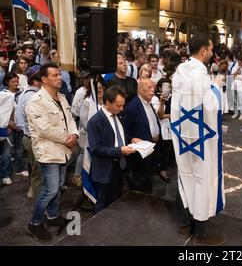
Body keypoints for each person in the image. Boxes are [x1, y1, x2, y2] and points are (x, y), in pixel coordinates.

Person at [171, 33, 226, 245]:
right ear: (203, 50)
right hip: (201, 138)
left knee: (185, 176)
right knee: (202, 179)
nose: (212, 53)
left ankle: (184, 224)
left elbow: (179, 102)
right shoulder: (202, 75)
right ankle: (200, 231)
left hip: (184, 135)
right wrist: (217, 86)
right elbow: (211, 106)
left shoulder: (181, 70)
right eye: (211, 49)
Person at [25, 63, 79, 241]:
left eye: (59, 74)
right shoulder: (36, 102)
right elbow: (44, 129)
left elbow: (70, 119)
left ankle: (53, 216)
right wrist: (67, 138)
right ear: (44, 79)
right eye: (55, 75)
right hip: (48, 152)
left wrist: (74, 134)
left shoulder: (62, 98)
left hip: (63, 150)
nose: (59, 78)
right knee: (50, 189)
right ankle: (34, 223)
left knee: (57, 186)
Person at [87, 86, 136, 214]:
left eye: (123, 105)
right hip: (104, 170)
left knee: (116, 201)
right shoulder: (95, 121)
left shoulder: (118, 116)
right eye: (119, 105)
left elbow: (118, 135)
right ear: (108, 102)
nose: (122, 109)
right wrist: (120, 151)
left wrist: (132, 140)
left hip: (119, 167)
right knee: (103, 204)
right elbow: (96, 149)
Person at [122, 79, 161, 193]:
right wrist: (131, 139)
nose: (153, 90)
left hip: (151, 150)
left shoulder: (148, 103)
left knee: (148, 181)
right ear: (140, 90)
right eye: (149, 87)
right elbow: (123, 130)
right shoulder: (132, 107)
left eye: (153, 87)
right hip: (140, 154)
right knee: (140, 185)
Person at [16, 65, 41, 197]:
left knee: (36, 169)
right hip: (33, 138)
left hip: (30, 137)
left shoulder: (31, 93)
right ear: (36, 81)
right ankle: (41, 206)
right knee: (38, 173)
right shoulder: (32, 97)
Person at [229, 53, 242, 120]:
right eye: (239, 61)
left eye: (241, 61)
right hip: (234, 85)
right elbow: (231, 76)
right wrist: (237, 70)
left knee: (241, 100)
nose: (240, 62)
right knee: (234, 99)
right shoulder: (235, 67)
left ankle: (241, 114)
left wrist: (239, 75)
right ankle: (235, 113)